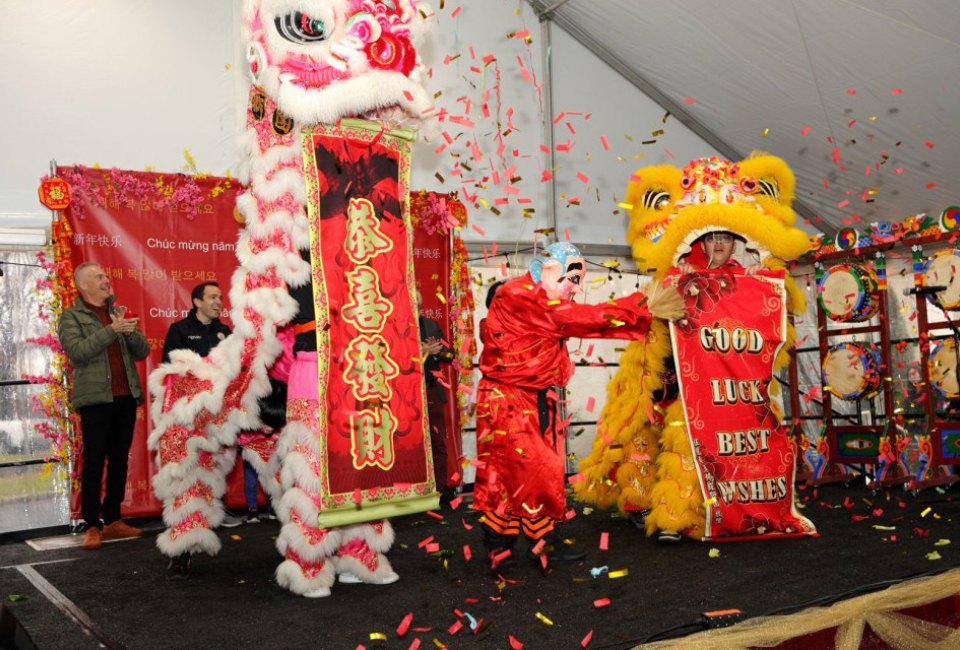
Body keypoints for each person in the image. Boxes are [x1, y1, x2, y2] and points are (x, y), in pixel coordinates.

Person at [473, 242, 685, 570]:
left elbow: (573, 321)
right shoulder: (519, 296)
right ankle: (521, 544)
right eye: (573, 277)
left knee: (516, 475)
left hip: (526, 399)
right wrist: (642, 306)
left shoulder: (536, 296)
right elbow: (582, 318)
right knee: (529, 473)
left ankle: (517, 543)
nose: (576, 286)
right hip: (513, 402)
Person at [57, 262, 150, 551]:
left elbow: (143, 351)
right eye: (99, 276)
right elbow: (77, 352)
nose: (106, 279)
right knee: (95, 461)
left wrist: (129, 331)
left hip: (124, 397)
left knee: (119, 460)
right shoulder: (71, 316)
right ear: (83, 285)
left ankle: (112, 520)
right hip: (96, 399)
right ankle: (91, 524)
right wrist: (112, 330)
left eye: (106, 275)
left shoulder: (116, 312)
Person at [160, 282, 244, 579]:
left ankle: (206, 526)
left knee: (211, 479)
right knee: (184, 484)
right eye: (212, 297)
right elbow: (170, 372)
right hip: (187, 423)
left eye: (221, 297)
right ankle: (179, 553)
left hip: (219, 421)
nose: (219, 302)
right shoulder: (180, 330)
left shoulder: (226, 333)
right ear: (197, 301)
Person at [416, 287, 456, 504]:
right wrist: (419, 351)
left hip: (432, 390)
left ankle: (440, 491)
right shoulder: (396, 326)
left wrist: (438, 351)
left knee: (437, 444)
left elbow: (451, 355)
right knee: (412, 445)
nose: (418, 308)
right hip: (407, 395)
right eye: (413, 304)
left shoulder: (431, 325)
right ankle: (416, 490)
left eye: (420, 304)